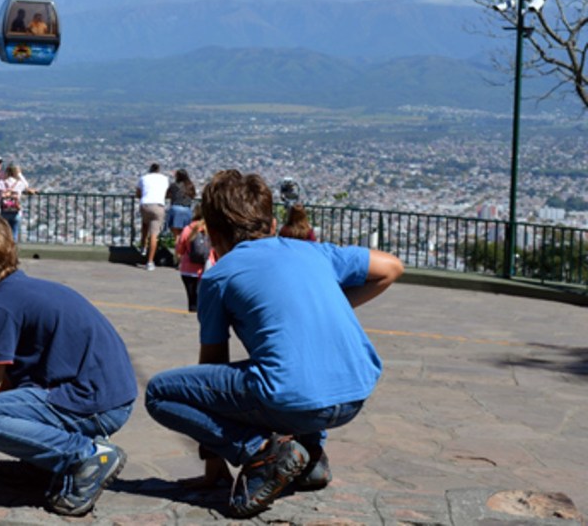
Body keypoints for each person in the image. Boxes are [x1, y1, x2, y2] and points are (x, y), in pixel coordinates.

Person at [144, 170, 404, 519]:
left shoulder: (220, 277)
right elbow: (391, 267)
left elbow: (214, 365)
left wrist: (215, 461)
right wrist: (325, 304)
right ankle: (310, 459)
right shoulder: (315, 252)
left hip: (294, 399)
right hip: (354, 394)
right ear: (272, 223)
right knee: (284, 367)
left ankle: (261, 454)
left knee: (160, 393)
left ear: (214, 233)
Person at [0, 207, 137, 517]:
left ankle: (86, 455)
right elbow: (9, 382)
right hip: (113, 396)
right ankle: (48, 466)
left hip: (93, 403)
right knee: (8, 402)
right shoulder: (28, 290)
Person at [174, 207, 214, 312]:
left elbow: (179, 249)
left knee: (192, 300)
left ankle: (192, 312)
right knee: (205, 300)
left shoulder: (188, 229)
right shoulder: (212, 230)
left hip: (188, 270)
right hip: (207, 268)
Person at [136, 162, 169, 271]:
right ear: (159, 170)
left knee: (145, 224)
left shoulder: (144, 178)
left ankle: (143, 246)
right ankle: (150, 262)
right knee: (154, 234)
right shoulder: (164, 179)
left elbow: (138, 193)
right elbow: (166, 192)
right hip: (158, 206)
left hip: (145, 204)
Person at [0, 163, 37, 242]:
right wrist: (20, 174)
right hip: (16, 211)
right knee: (14, 234)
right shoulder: (19, 184)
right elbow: (26, 185)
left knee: (4, 234)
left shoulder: (1, 183)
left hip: (4, 211)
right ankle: (12, 248)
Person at [166, 169, 196, 239]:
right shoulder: (190, 186)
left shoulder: (174, 185)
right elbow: (193, 196)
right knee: (186, 234)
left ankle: (177, 245)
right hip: (187, 210)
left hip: (175, 209)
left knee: (176, 235)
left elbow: (167, 195)